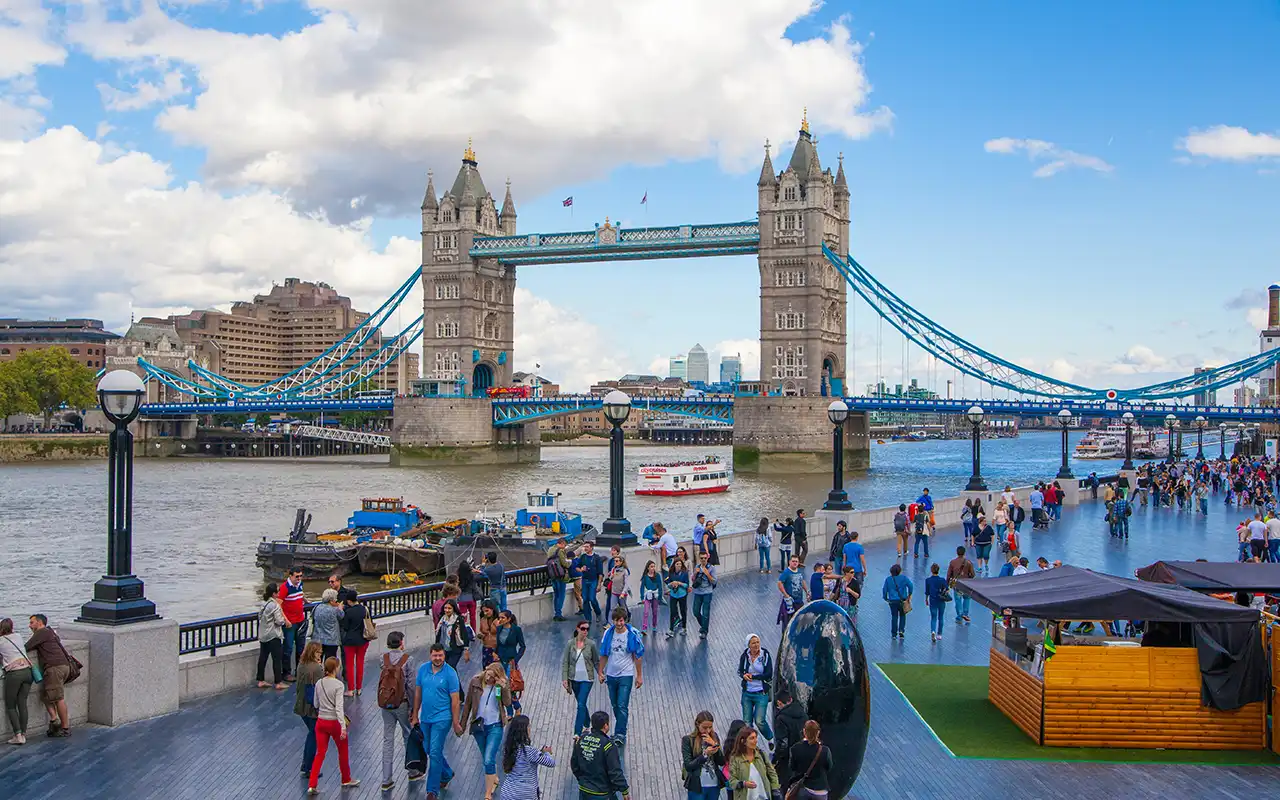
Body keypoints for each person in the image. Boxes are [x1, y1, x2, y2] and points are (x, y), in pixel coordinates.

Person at [411, 643, 463, 800]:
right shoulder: (423, 669)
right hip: (426, 717)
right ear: (430, 655)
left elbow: (455, 699)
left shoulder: (450, 673)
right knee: (428, 748)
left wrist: (455, 722)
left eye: (440, 655)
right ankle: (446, 773)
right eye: (435, 655)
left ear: (444, 656)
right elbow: (418, 694)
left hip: (443, 718)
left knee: (434, 752)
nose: (438, 658)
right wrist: (415, 715)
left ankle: (431, 791)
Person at [307, 656, 360, 794]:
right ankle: (346, 779)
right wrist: (343, 727)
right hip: (334, 723)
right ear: (336, 668)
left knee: (320, 753)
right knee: (343, 751)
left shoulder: (319, 683)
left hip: (321, 722)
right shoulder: (339, 685)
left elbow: (316, 704)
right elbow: (339, 708)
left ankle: (312, 785)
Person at [378, 631, 424, 792]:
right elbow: (411, 686)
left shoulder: (382, 659)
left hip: (386, 704)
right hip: (402, 703)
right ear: (402, 643)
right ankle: (413, 771)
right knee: (407, 737)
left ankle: (386, 779)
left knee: (387, 740)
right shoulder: (408, 660)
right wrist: (414, 708)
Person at [460, 662, 508, 799]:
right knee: (487, 757)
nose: (488, 679)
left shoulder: (500, 685)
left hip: (495, 726)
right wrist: (462, 726)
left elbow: (507, 703)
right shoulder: (475, 682)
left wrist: (503, 688)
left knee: (488, 760)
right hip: (479, 727)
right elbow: (468, 704)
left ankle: (488, 793)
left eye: (492, 677)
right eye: (488, 674)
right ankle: (494, 777)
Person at [599, 606, 644, 744]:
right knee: (615, 705)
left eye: (621, 621)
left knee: (622, 704)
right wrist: (601, 671)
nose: (619, 624)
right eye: (616, 621)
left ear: (625, 620)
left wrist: (639, 675)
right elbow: (604, 654)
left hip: (626, 674)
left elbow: (637, 656)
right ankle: (621, 728)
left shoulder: (632, 634)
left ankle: (620, 733)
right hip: (611, 675)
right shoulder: (608, 634)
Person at [25, 614, 70, 738]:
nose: (30, 626)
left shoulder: (41, 632)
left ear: (39, 623)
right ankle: (54, 721)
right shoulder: (50, 632)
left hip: (54, 668)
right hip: (63, 666)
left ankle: (65, 728)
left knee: (58, 698)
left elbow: (25, 647)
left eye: (32, 623)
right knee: (46, 696)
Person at [571, 711, 630, 800]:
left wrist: (583, 780)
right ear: (605, 725)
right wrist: (624, 791)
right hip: (602, 793)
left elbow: (574, 764)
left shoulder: (581, 740)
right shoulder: (608, 745)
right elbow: (614, 771)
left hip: (584, 791)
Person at [497, 714, 555, 800]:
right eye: (528, 726)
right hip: (526, 794)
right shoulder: (529, 751)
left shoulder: (509, 749)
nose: (530, 729)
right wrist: (546, 753)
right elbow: (551, 763)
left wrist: (540, 753)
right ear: (524, 730)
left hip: (508, 793)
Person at [562, 618, 601, 737]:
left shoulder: (591, 644)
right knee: (581, 703)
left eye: (587, 629)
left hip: (587, 679)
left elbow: (596, 661)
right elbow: (565, 662)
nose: (585, 631)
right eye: (583, 629)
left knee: (580, 704)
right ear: (578, 629)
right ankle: (587, 722)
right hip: (574, 679)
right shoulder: (570, 644)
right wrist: (564, 678)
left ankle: (577, 732)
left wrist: (600, 673)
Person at [1, 618, 34, 745]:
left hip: (14, 674)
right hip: (27, 671)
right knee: (22, 703)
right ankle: (24, 734)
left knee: (10, 705)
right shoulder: (19, 636)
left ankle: (18, 735)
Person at [294, 642, 325, 777]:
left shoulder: (301, 665)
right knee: (314, 735)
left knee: (312, 733)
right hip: (312, 707)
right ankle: (309, 766)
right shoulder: (316, 669)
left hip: (301, 705)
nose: (321, 654)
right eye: (319, 652)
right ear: (314, 653)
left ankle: (306, 765)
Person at [682, 710, 727, 799]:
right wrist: (704, 755)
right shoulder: (688, 740)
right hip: (697, 785)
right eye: (704, 727)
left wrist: (715, 745)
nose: (708, 730)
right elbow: (688, 766)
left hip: (714, 784)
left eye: (710, 727)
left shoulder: (714, 737)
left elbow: (722, 762)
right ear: (697, 725)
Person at [738, 634, 773, 743]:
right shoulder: (745, 656)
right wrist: (744, 675)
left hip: (761, 692)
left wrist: (754, 677)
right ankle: (751, 743)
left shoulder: (765, 655)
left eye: (757, 642)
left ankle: (770, 739)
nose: (756, 645)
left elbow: (768, 673)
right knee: (747, 722)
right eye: (753, 643)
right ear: (748, 645)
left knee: (759, 720)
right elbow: (740, 671)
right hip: (747, 692)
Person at [728, 726, 779, 800]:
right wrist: (744, 784)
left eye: (756, 737)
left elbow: (772, 773)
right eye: (752, 738)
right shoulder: (735, 759)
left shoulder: (761, 754)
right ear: (743, 741)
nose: (756, 741)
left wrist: (775, 788)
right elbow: (732, 781)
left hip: (764, 797)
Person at [786, 720, 833, 799]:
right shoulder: (825, 750)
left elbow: (792, 767)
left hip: (803, 788)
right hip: (820, 790)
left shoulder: (795, 748)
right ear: (818, 732)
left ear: (804, 731)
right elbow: (829, 767)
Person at [256, 585, 290, 690]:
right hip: (273, 635)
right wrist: (286, 622)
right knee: (277, 659)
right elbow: (279, 621)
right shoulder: (275, 605)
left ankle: (260, 680)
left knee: (263, 657)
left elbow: (259, 617)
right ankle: (278, 682)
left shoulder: (263, 603)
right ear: (274, 594)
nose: (279, 592)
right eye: (278, 591)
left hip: (263, 635)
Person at [279, 567, 308, 681]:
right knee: (288, 648)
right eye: (297, 576)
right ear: (291, 576)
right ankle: (286, 673)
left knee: (301, 648)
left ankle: (299, 671)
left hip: (300, 620)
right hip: (290, 623)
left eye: (301, 576)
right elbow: (279, 604)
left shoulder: (300, 584)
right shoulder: (285, 587)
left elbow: (301, 593)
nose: (299, 578)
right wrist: (285, 620)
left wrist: (305, 600)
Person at [772, 692, 805, 790]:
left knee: (784, 785)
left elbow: (783, 744)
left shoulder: (781, 719)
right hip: (802, 756)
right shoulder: (803, 714)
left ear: (779, 703)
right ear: (790, 699)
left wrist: (775, 759)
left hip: (787, 759)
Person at [339, 592, 370, 696]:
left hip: (350, 641)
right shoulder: (364, 609)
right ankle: (359, 688)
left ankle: (351, 690)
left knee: (350, 665)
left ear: (348, 601)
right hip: (363, 640)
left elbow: (346, 627)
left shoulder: (348, 612)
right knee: (360, 663)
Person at [495, 610, 527, 712]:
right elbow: (498, 644)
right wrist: (495, 653)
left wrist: (516, 660)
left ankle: (514, 707)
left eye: (502, 618)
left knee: (509, 686)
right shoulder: (499, 629)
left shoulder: (516, 630)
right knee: (498, 686)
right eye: (499, 618)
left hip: (510, 662)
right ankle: (503, 708)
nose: (500, 620)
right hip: (499, 661)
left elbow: (522, 646)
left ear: (509, 619)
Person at [435, 598, 474, 670]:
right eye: (445, 608)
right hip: (444, 649)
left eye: (449, 608)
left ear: (454, 609)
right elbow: (438, 634)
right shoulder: (442, 619)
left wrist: (466, 650)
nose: (447, 610)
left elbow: (464, 634)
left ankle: (455, 681)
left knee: (450, 668)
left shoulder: (458, 620)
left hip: (455, 649)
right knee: (447, 669)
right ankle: (455, 681)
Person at [575, 541, 605, 627]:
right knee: (585, 599)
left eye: (587, 547)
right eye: (584, 547)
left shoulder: (597, 558)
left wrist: (599, 584)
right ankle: (588, 618)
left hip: (593, 580)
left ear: (591, 547)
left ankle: (598, 612)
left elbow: (600, 573)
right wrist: (581, 570)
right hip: (585, 580)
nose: (585, 548)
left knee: (592, 598)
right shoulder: (583, 557)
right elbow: (577, 567)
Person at [310, 588, 344, 662]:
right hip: (331, 640)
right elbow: (341, 616)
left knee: (317, 659)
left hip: (318, 639)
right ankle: (328, 673)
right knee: (330, 661)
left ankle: (318, 673)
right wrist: (340, 608)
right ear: (332, 600)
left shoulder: (316, 607)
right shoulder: (335, 610)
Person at [882, 563, 913, 640]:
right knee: (902, 615)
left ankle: (894, 634)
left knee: (894, 616)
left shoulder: (888, 579)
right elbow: (911, 585)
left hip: (892, 601)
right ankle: (901, 631)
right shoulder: (904, 578)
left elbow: (884, 590)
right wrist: (909, 595)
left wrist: (886, 598)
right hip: (902, 600)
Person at [691, 551, 717, 639]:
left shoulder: (711, 568)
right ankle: (704, 625)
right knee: (695, 611)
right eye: (701, 558)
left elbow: (714, 581)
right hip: (698, 592)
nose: (703, 560)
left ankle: (704, 631)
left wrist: (707, 574)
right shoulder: (697, 567)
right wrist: (695, 573)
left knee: (706, 612)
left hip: (707, 592)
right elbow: (693, 579)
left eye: (705, 558)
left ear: (707, 558)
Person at [548, 538, 574, 621]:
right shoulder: (560, 551)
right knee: (561, 594)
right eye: (565, 545)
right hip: (561, 575)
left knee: (556, 594)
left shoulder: (550, 549)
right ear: (562, 543)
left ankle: (556, 612)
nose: (565, 547)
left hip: (553, 575)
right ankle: (558, 613)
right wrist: (570, 562)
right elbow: (565, 564)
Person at [778, 556, 807, 625]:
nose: (795, 563)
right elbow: (779, 583)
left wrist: (807, 591)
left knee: (799, 621)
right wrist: (786, 595)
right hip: (790, 602)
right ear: (789, 562)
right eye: (793, 561)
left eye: (796, 561)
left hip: (799, 601)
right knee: (788, 623)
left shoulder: (799, 571)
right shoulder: (786, 572)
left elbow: (802, 581)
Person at [924, 564, 948, 643]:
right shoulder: (942, 580)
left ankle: (933, 631)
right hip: (941, 600)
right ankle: (939, 634)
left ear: (931, 570)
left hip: (932, 600)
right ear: (938, 570)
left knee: (933, 617)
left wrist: (926, 599)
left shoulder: (928, 580)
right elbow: (947, 590)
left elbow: (927, 591)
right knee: (941, 617)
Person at [667, 556, 690, 638]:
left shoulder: (685, 573)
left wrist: (679, 583)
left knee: (683, 611)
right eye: (677, 564)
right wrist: (672, 584)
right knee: (672, 612)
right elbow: (668, 584)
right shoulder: (671, 573)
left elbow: (687, 584)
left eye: (680, 564)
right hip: (673, 594)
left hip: (682, 595)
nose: (679, 566)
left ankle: (684, 628)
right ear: (674, 565)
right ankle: (671, 629)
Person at [639, 561, 662, 636]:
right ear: (648, 567)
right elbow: (642, 587)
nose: (653, 568)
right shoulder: (645, 577)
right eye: (651, 566)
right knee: (646, 612)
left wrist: (660, 597)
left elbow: (660, 586)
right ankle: (644, 628)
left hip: (655, 596)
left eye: (654, 566)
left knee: (655, 612)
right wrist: (642, 597)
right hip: (647, 596)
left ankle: (654, 625)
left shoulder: (657, 575)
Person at [607, 554, 631, 622]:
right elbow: (611, 578)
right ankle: (610, 623)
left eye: (617, 561)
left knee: (623, 608)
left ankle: (625, 621)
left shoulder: (624, 571)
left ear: (621, 562)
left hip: (621, 592)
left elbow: (626, 583)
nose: (615, 562)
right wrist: (612, 574)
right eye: (615, 561)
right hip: (614, 591)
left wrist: (623, 593)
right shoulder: (613, 569)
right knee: (612, 608)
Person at [456, 560, 479, 629]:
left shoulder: (458, 576)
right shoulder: (471, 576)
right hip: (472, 598)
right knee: (473, 617)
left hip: (462, 599)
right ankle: (473, 632)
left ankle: (463, 633)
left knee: (463, 618)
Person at [478, 600, 501, 667]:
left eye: (487, 611)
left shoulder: (498, 621)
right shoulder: (483, 620)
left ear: (492, 609)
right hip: (486, 647)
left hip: (497, 648)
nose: (485, 613)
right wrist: (481, 635)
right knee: (486, 668)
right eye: (483, 611)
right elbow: (482, 631)